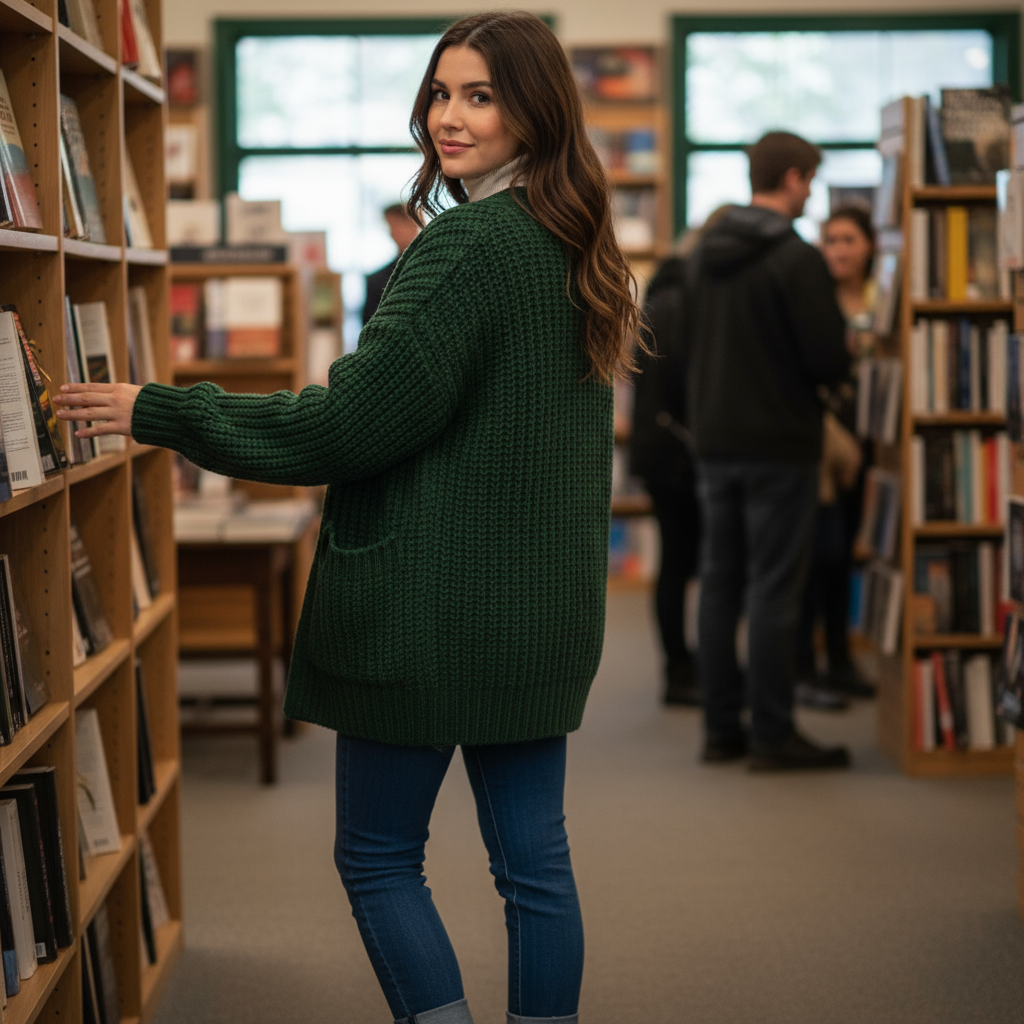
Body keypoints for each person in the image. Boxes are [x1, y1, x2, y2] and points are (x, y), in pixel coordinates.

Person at [54, 12, 642, 1024]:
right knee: (534, 865)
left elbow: (346, 426)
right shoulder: (569, 240)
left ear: (535, 112)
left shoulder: (467, 246)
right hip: (536, 615)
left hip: (428, 613)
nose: (446, 118)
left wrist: (164, 410)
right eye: (440, 93)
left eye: (479, 96)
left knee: (376, 857)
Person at [686, 131, 852, 771]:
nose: (809, 191)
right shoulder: (795, 258)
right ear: (791, 178)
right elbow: (827, 358)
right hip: (781, 442)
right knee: (775, 588)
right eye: (808, 178)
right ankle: (773, 732)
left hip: (715, 439)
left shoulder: (703, 253)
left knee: (721, 582)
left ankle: (721, 728)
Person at [629, 207, 730, 707]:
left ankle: (684, 667)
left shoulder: (664, 292)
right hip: (679, 453)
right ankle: (683, 670)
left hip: (660, 448)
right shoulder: (685, 300)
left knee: (679, 562)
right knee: (687, 564)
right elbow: (684, 380)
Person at [796, 205, 879, 704]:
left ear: (870, 245)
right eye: (831, 241)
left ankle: (842, 657)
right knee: (819, 555)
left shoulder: (883, 299)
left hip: (875, 441)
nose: (840, 251)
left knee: (846, 552)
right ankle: (807, 661)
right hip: (824, 446)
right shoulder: (814, 299)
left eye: (849, 240)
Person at [362, 203, 421, 324]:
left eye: (397, 226)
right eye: (391, 227)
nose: (392, 234)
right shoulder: (376, 280)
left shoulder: (436, 268)